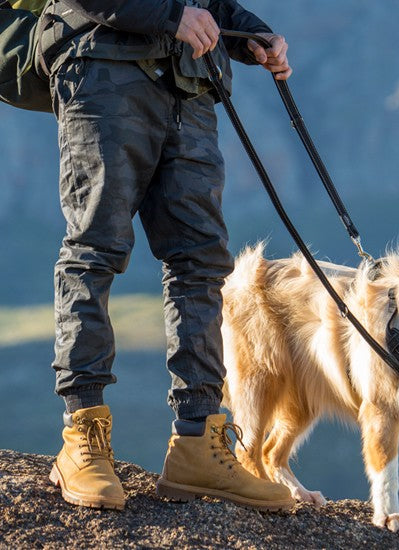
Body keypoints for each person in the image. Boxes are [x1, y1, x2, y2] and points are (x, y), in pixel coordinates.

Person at [39, 0, 294, 511]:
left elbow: (207, 4)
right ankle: (82, 433)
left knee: (201, 262)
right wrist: (170, 17)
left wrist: (251, 35)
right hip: (102, 72)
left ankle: (197, 444)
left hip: (189, 87)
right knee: (95, 249)